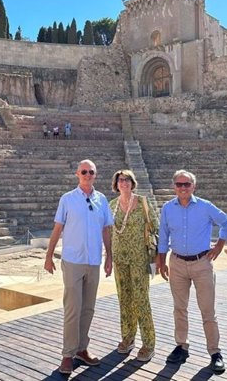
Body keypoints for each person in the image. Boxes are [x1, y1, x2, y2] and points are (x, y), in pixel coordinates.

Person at [157, 169, 227, 375]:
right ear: (174, 187)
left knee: (207, 310)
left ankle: (215, 352)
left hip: (202, 263)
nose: (183, 188)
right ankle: (182, 346)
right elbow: (163, 234)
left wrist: (219, 245)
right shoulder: (167, 208)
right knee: (179, 308)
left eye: (187, 184)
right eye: (179, 184)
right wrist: (161, 260)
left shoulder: (205, 206)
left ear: (194, 187)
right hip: (177, 263)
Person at [44, 160, 114, 375]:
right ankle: (67, 354)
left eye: (91, 172)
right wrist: (48, 256)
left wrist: (109, 257)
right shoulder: (68, 199)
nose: (87, 174)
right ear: (77, 174)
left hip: (94, 261)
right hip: (73, 261)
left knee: (88, 308)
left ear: (96, 174)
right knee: (73, 309)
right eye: (84, 171)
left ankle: (81, 349)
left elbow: (106, 231)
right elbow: (58, 228)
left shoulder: (102, 200)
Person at [108, 170, 158, 363]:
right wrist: (109, 258)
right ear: (116, 184)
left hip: (139, 258)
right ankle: (128, 338)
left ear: (133, 183)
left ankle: (149, 343)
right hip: (120, 259)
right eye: (121, 180)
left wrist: (158, 258)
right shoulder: (112, 205)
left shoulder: (143, 203)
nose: (124, 183)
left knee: (141, 299)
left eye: (127, 180)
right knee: (124, 298)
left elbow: (155, 227)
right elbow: (109, 232)